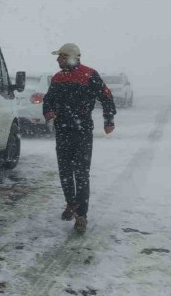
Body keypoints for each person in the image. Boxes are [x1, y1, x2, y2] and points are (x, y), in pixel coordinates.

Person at [42, 43, 116, 232]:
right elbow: (49, 99)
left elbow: (106, 96)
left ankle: (81, 216)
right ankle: (71, 203)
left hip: (82, 131)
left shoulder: (89, 75)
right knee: (65, 172)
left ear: (70, 57)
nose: (57, 60)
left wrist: (109, 119)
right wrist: (49, 111)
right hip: (63, 131)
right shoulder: (58, 78)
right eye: (57, 57)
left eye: (60, 57)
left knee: (81, 174)